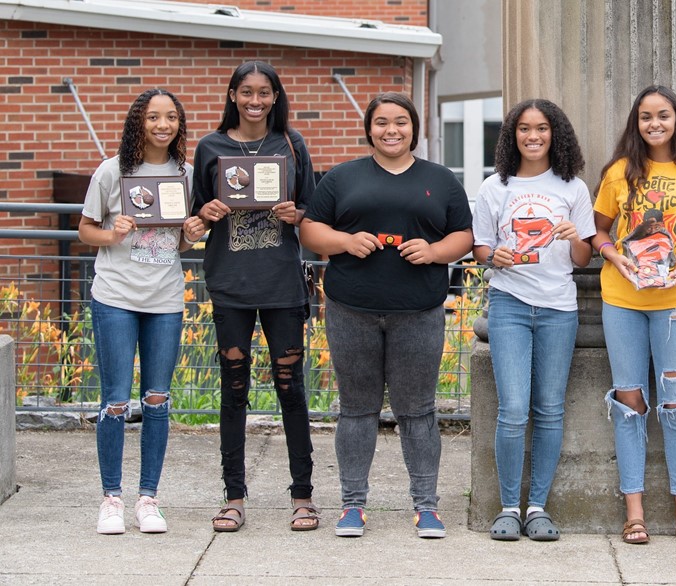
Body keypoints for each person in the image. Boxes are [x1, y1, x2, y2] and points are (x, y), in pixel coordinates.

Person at [299, 92, 473, 539]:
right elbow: (311, 229)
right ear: (369, 128)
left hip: (418, 312)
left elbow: (465, 236)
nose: (390, 130)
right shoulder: (342, 177)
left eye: (400, 122)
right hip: (350, 309)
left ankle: (427, 507)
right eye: (381, 122)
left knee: (417, 411)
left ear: (414, 128)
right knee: (357, 410)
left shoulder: (441, 179)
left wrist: (435, 251)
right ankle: (353, 504)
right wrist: (344, 242)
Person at [592, 85, 676, 546]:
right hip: (623, 302)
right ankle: (635, 513)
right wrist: (615, 257)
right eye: (646, 116)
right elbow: (600, 232)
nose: (654, 124)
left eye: (663, 116)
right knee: (629, 407)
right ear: (636, 121)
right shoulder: (618, 173)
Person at [191, 61, 319, 532]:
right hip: (231, 285)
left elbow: (314, 207)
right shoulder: (210, 147)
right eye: (246, 92)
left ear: (275, 96)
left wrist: (296, 213)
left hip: (282, 285)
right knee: (234, 390)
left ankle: (302, 496)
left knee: (291, 389)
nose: (255, 101)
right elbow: (194, 217)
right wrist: (204, 211)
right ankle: (234, 496)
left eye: (264, 92)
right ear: (232, 95)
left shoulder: (291, 144)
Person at [471, 99, 595, 542]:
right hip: (509, 305)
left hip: (560, 307)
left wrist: (575, 235)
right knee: (513, 409)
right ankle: (508, 507)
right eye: (524, 129)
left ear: (554, 134)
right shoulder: (495, 188)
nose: (533, 136)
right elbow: (480, 248)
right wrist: (494, 256)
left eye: (541, 128)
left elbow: (583, 258)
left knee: (548, 409)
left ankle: (538, 507)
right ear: (512, 136)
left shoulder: (573, 188)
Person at [80, 88, 201, 534]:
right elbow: (84, 230)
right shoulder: (112, 172)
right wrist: (114, 233)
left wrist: (192, 231)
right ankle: (111, 498)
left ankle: (147, 499)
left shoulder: (186, 174)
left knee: (157, 399)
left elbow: (180, 244)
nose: (163, 125)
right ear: (139, 122)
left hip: (165, 299)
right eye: (153, 117)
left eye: (171, 117)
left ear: (179, 124)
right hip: (115, 296)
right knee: (115, 399)